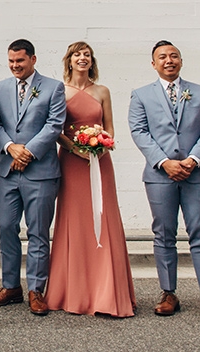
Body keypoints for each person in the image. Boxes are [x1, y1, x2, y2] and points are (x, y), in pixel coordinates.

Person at [128, 40, 200, 321]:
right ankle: (168, 292)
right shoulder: (141, 95)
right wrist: (165, 162)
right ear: (153, 64)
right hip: (160, 176)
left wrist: (194, 160)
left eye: (174, 56)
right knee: (164, 235)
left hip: (197, 174)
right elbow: (139, 131)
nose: (168, 60)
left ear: (181, 61)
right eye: (162, 57)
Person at [45, 42, 135, 317]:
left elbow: (109, 128)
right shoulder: (59, 91)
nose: (82, 58)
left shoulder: (102, 91)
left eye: (86, 55)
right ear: (69, 61)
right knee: (74, 219)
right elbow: (56, 129)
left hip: (100, 161)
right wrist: (75, 149)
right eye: (77, 55)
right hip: (72, 161)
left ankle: (107, 292)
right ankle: (71, 291)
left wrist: (101, 145)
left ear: (91, 61)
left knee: (104, 216)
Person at [0, 39, 65, 315]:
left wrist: (28, 152)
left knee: (38, 231)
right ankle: (11, 287)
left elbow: (54, 124)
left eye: (20, 61)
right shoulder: (1, 88)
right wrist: (10, 148)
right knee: (6, 226)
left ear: (33, 59)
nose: (15, 66)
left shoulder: (53, 88)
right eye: (11, 61)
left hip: (40, 172)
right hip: (7, 170)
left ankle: (36, 289)